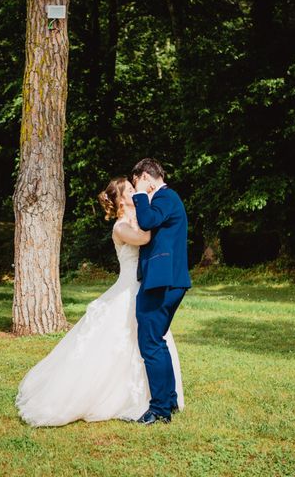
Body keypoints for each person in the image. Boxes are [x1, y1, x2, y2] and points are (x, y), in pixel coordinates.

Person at [15, 176, 184, 427]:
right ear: (121, 200)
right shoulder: (121, 227)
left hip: (148, 288)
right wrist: (147, 200)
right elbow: (146, 239)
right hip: (129, 291)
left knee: (152, 342)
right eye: (130, 190)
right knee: (123, 343)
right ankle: (121, 397)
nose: (135, 191)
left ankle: (163, 397)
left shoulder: (140, 219)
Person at [131, 158, 191, 425]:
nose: (135, 191)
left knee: (150, 343)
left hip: (162, 282)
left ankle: (159, 410)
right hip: (168, 280)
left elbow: (147, 221)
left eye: (137, 183)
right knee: (158, 340)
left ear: (145, 177)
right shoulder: (169, 199)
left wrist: (141, 194)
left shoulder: (165, 197)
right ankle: (168, 400)